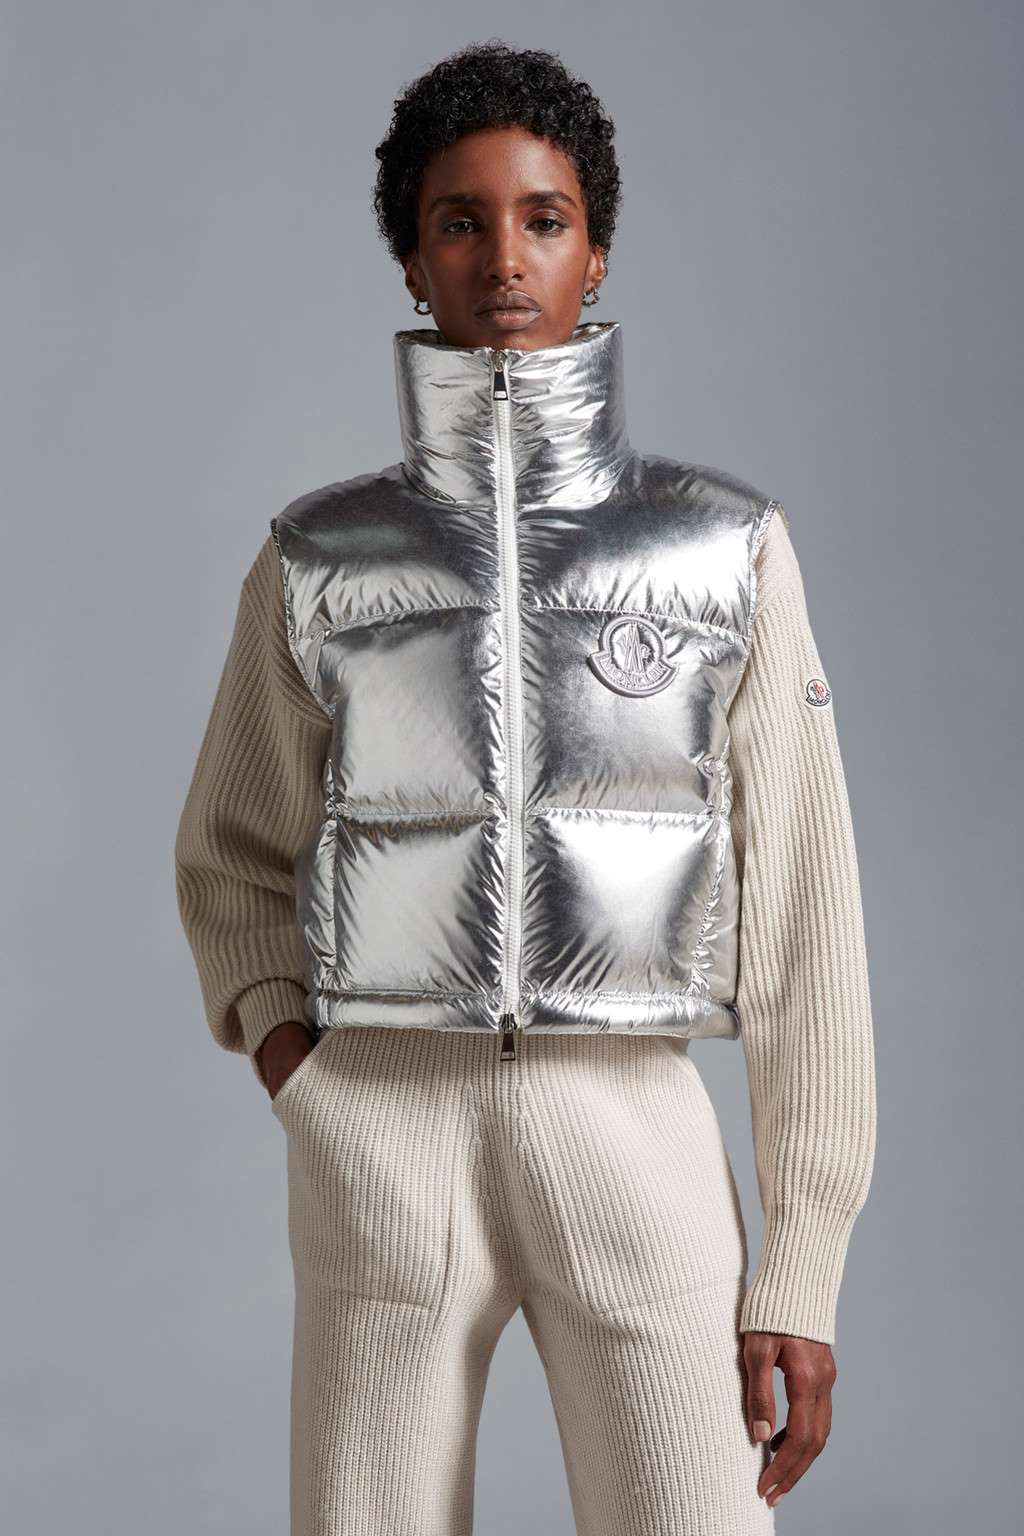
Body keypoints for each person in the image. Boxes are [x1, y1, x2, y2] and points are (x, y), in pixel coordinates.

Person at [174, 39, 876, 1536]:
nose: (504, 257)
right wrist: (311, 1080)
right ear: (411, 259)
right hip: (384, 1137)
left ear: (595, 247)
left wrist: (801, 1266)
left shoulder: (725, 552)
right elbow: (230, 857)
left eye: (543, 217)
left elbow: (807, 913)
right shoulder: (318, 562)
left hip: (630, 1130)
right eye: (461, 221)